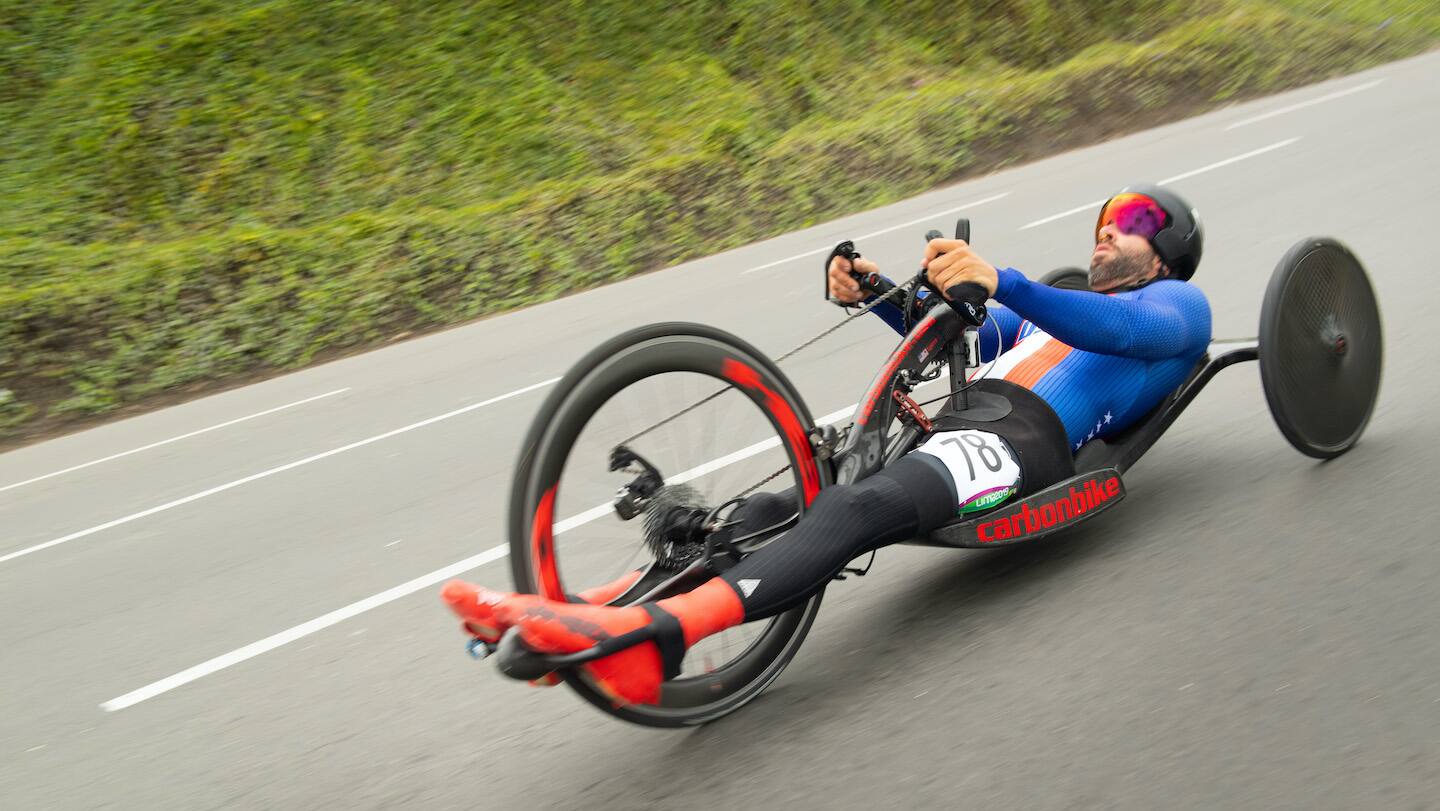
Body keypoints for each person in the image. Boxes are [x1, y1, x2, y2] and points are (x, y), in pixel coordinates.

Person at [441, 185, 1212, 707]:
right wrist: (874, 287)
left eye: (1138, 219)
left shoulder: (1177, 305)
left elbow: (1126, 330)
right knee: (786, 503)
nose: (1113, 226)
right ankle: (580, 616)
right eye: (1107, 216)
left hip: (1022, 441)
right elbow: (952, 328)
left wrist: (1004, 278)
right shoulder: (1055, 310)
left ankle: (658, 638)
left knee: (854, 505)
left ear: (1169, 247)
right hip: (956, 421)